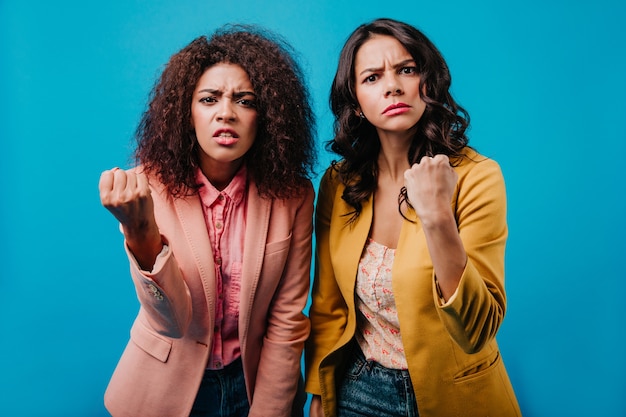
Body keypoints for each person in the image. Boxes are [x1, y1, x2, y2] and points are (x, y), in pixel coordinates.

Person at [305, 18, 521, 417]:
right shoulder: (339, 183)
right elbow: (327, 304)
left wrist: (438, 216)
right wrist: (319, 393)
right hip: (359, 392)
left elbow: (476, 330)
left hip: (455, 397)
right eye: (372, 77)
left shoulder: (477, 177)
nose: (393, 86)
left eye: (407, 69)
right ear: (355, 101)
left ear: (428, 82)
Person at [99, 25, 316, 417]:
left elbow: (287, 319)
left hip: (252, 385)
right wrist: (140, 232)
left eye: (244, 101)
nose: (226, 113)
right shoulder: (145, 188)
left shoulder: (293, 195)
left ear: (266, 116)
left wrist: (268, 410)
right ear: (187, 111)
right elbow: (172, 321)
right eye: (209, 99)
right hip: (160, 389)